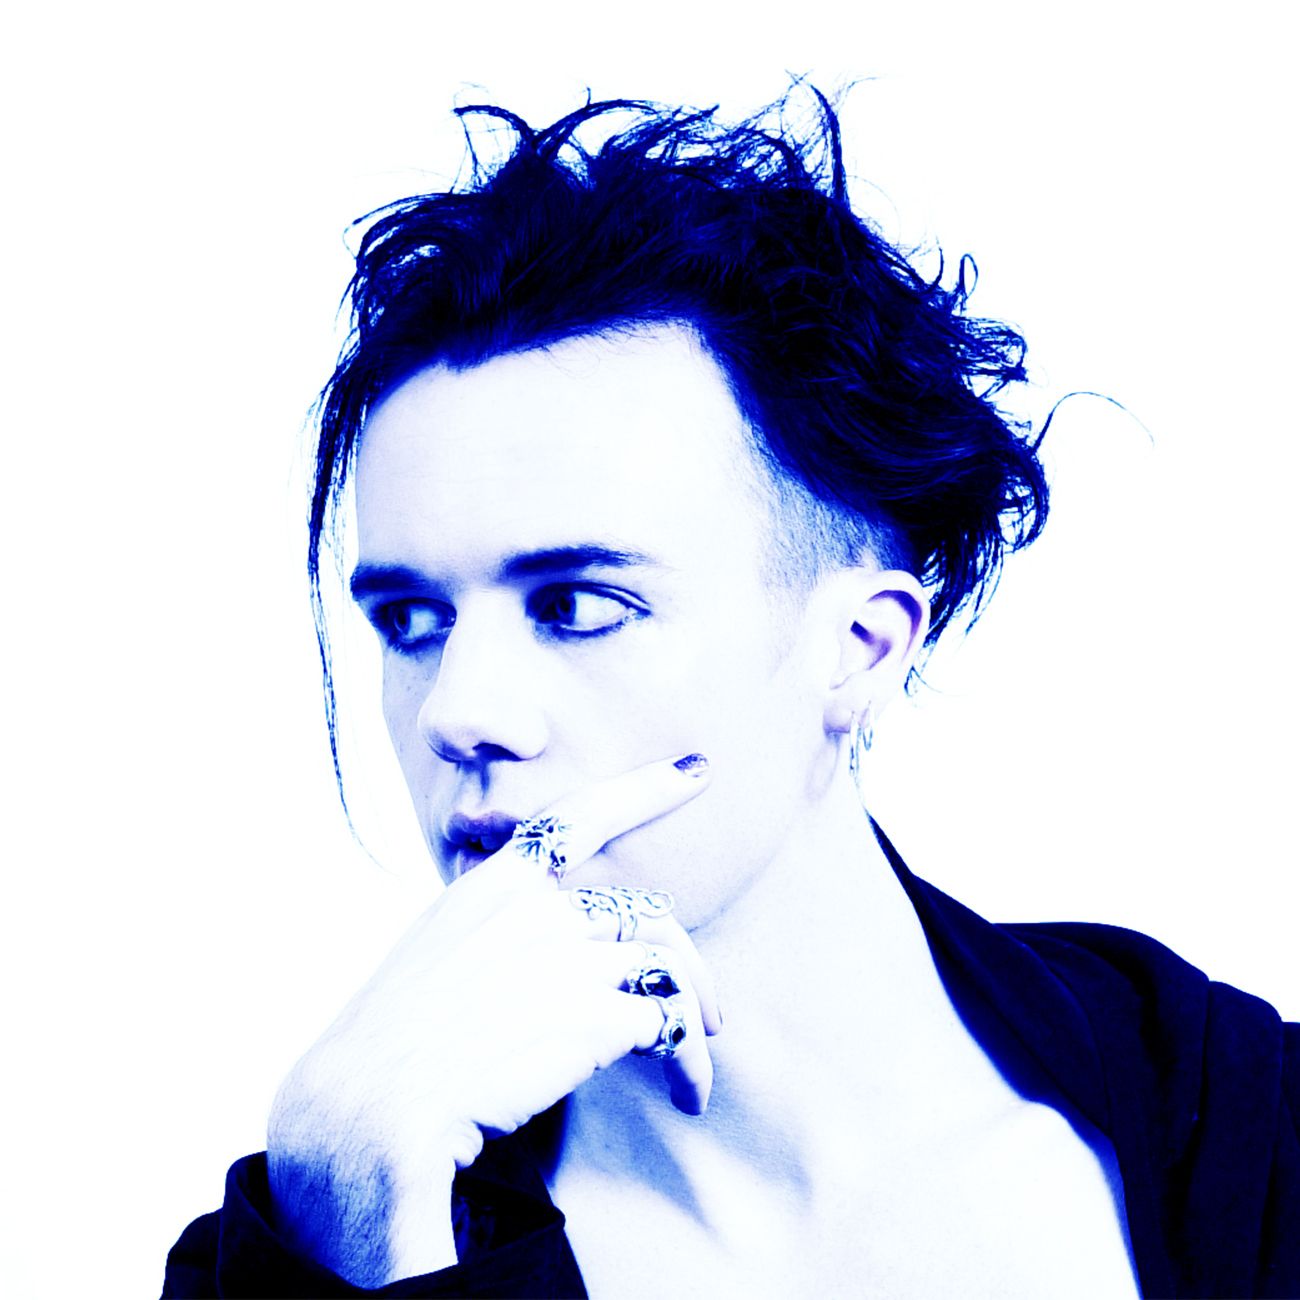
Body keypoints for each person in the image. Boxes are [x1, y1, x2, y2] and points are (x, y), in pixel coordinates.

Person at [161, 91, 1299, 1299]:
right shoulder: (310, 1229)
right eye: (411, 621)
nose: (457, 710)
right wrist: (358, 1234)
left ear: (858, 647)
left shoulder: (1245, 1131)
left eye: (577, 605)